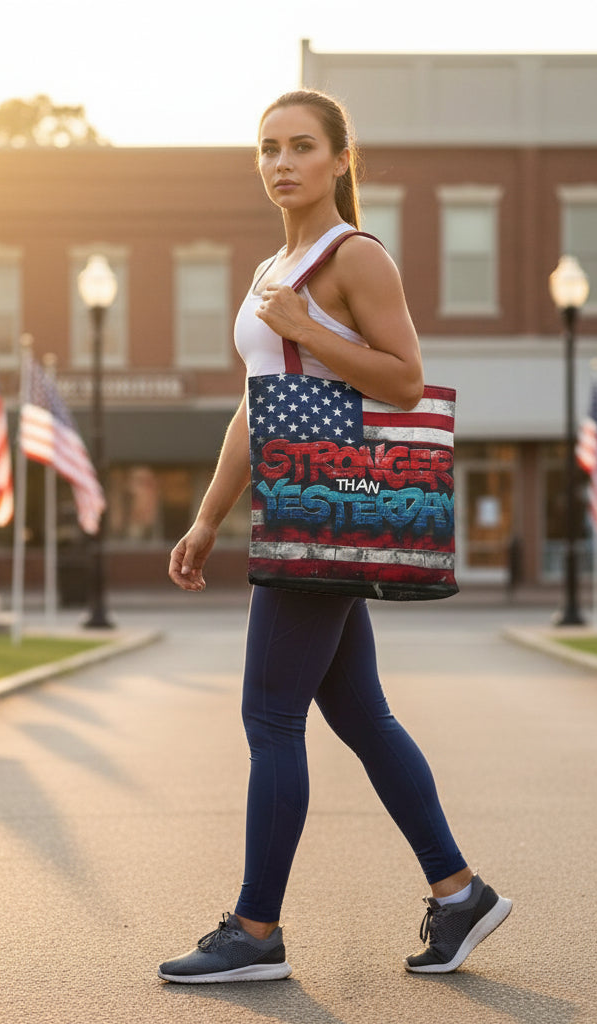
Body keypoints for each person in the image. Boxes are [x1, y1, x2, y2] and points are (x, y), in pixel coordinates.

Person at [159, 89, 511, 984]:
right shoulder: (271, 267)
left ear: (340, 160)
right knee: (358, 712)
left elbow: (405, 380)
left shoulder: (355, 256)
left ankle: (255, 931)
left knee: (270, 716)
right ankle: (459, 892)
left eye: (302, 146)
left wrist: (308, 326)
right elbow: (256, 407)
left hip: (328, 515)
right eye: (269, 147)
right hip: (294, 515)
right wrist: (206, 517)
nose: (282, 162)